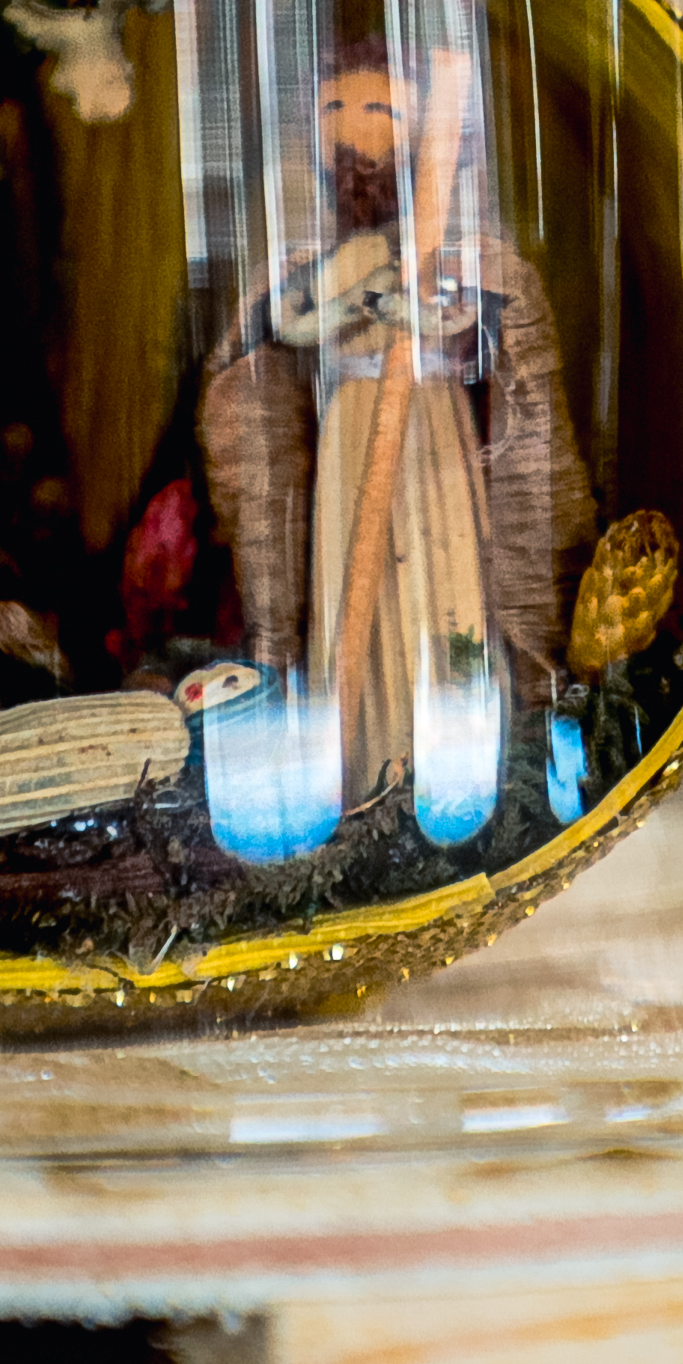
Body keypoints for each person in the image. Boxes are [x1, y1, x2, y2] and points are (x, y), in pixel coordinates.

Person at [199, 43, 590, 860]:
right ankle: (365, 757)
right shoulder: (315, 260)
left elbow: (481, 320)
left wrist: (426, 313)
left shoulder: (453, 251)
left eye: (380, 112)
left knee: (443, 570)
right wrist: (352, 305)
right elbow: (286, 325)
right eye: (336, 112)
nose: (355, 134)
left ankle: (455, 763)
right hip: (351, 433)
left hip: (432, 429)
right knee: (352, 580)